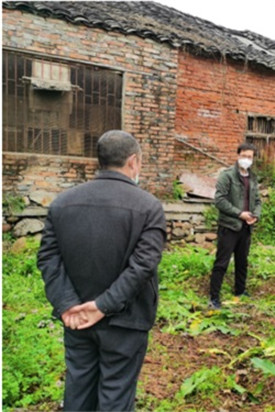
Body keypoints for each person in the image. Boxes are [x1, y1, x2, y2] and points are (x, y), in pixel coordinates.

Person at [37, 130, 167, 411]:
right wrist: (103, 306)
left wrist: (67, 304)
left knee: (79, 390)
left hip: (77, 319)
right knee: (116, 396)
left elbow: (48, 258)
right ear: (133, 161)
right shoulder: (149, 207)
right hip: (126, 322)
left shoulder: (62, 203)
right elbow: (142, 266)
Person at [209, 142, 261, 309]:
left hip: (246, 227)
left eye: (250, 157)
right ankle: (214, 297)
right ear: (238, 156)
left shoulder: (252, 177)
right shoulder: (227, 176)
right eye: (244, 156)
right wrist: (239, 214)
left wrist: (255, 215)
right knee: (222, 262)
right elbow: (220, 200)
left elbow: (257, 201)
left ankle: (240, 290)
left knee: (242, 261)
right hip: (229, 226)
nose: (246, 159)